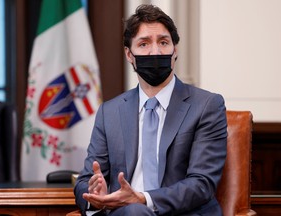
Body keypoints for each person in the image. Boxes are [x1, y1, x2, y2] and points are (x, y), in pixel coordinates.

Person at [74, 4, 227, 216]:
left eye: (163, 42)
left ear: (175, 50)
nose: (155, 51)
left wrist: (144, 199)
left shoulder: (207, 106)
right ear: (129, 54)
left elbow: (202, 183)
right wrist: (96, 196)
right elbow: (84, 181)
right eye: (144, 44)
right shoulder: (109, 112)